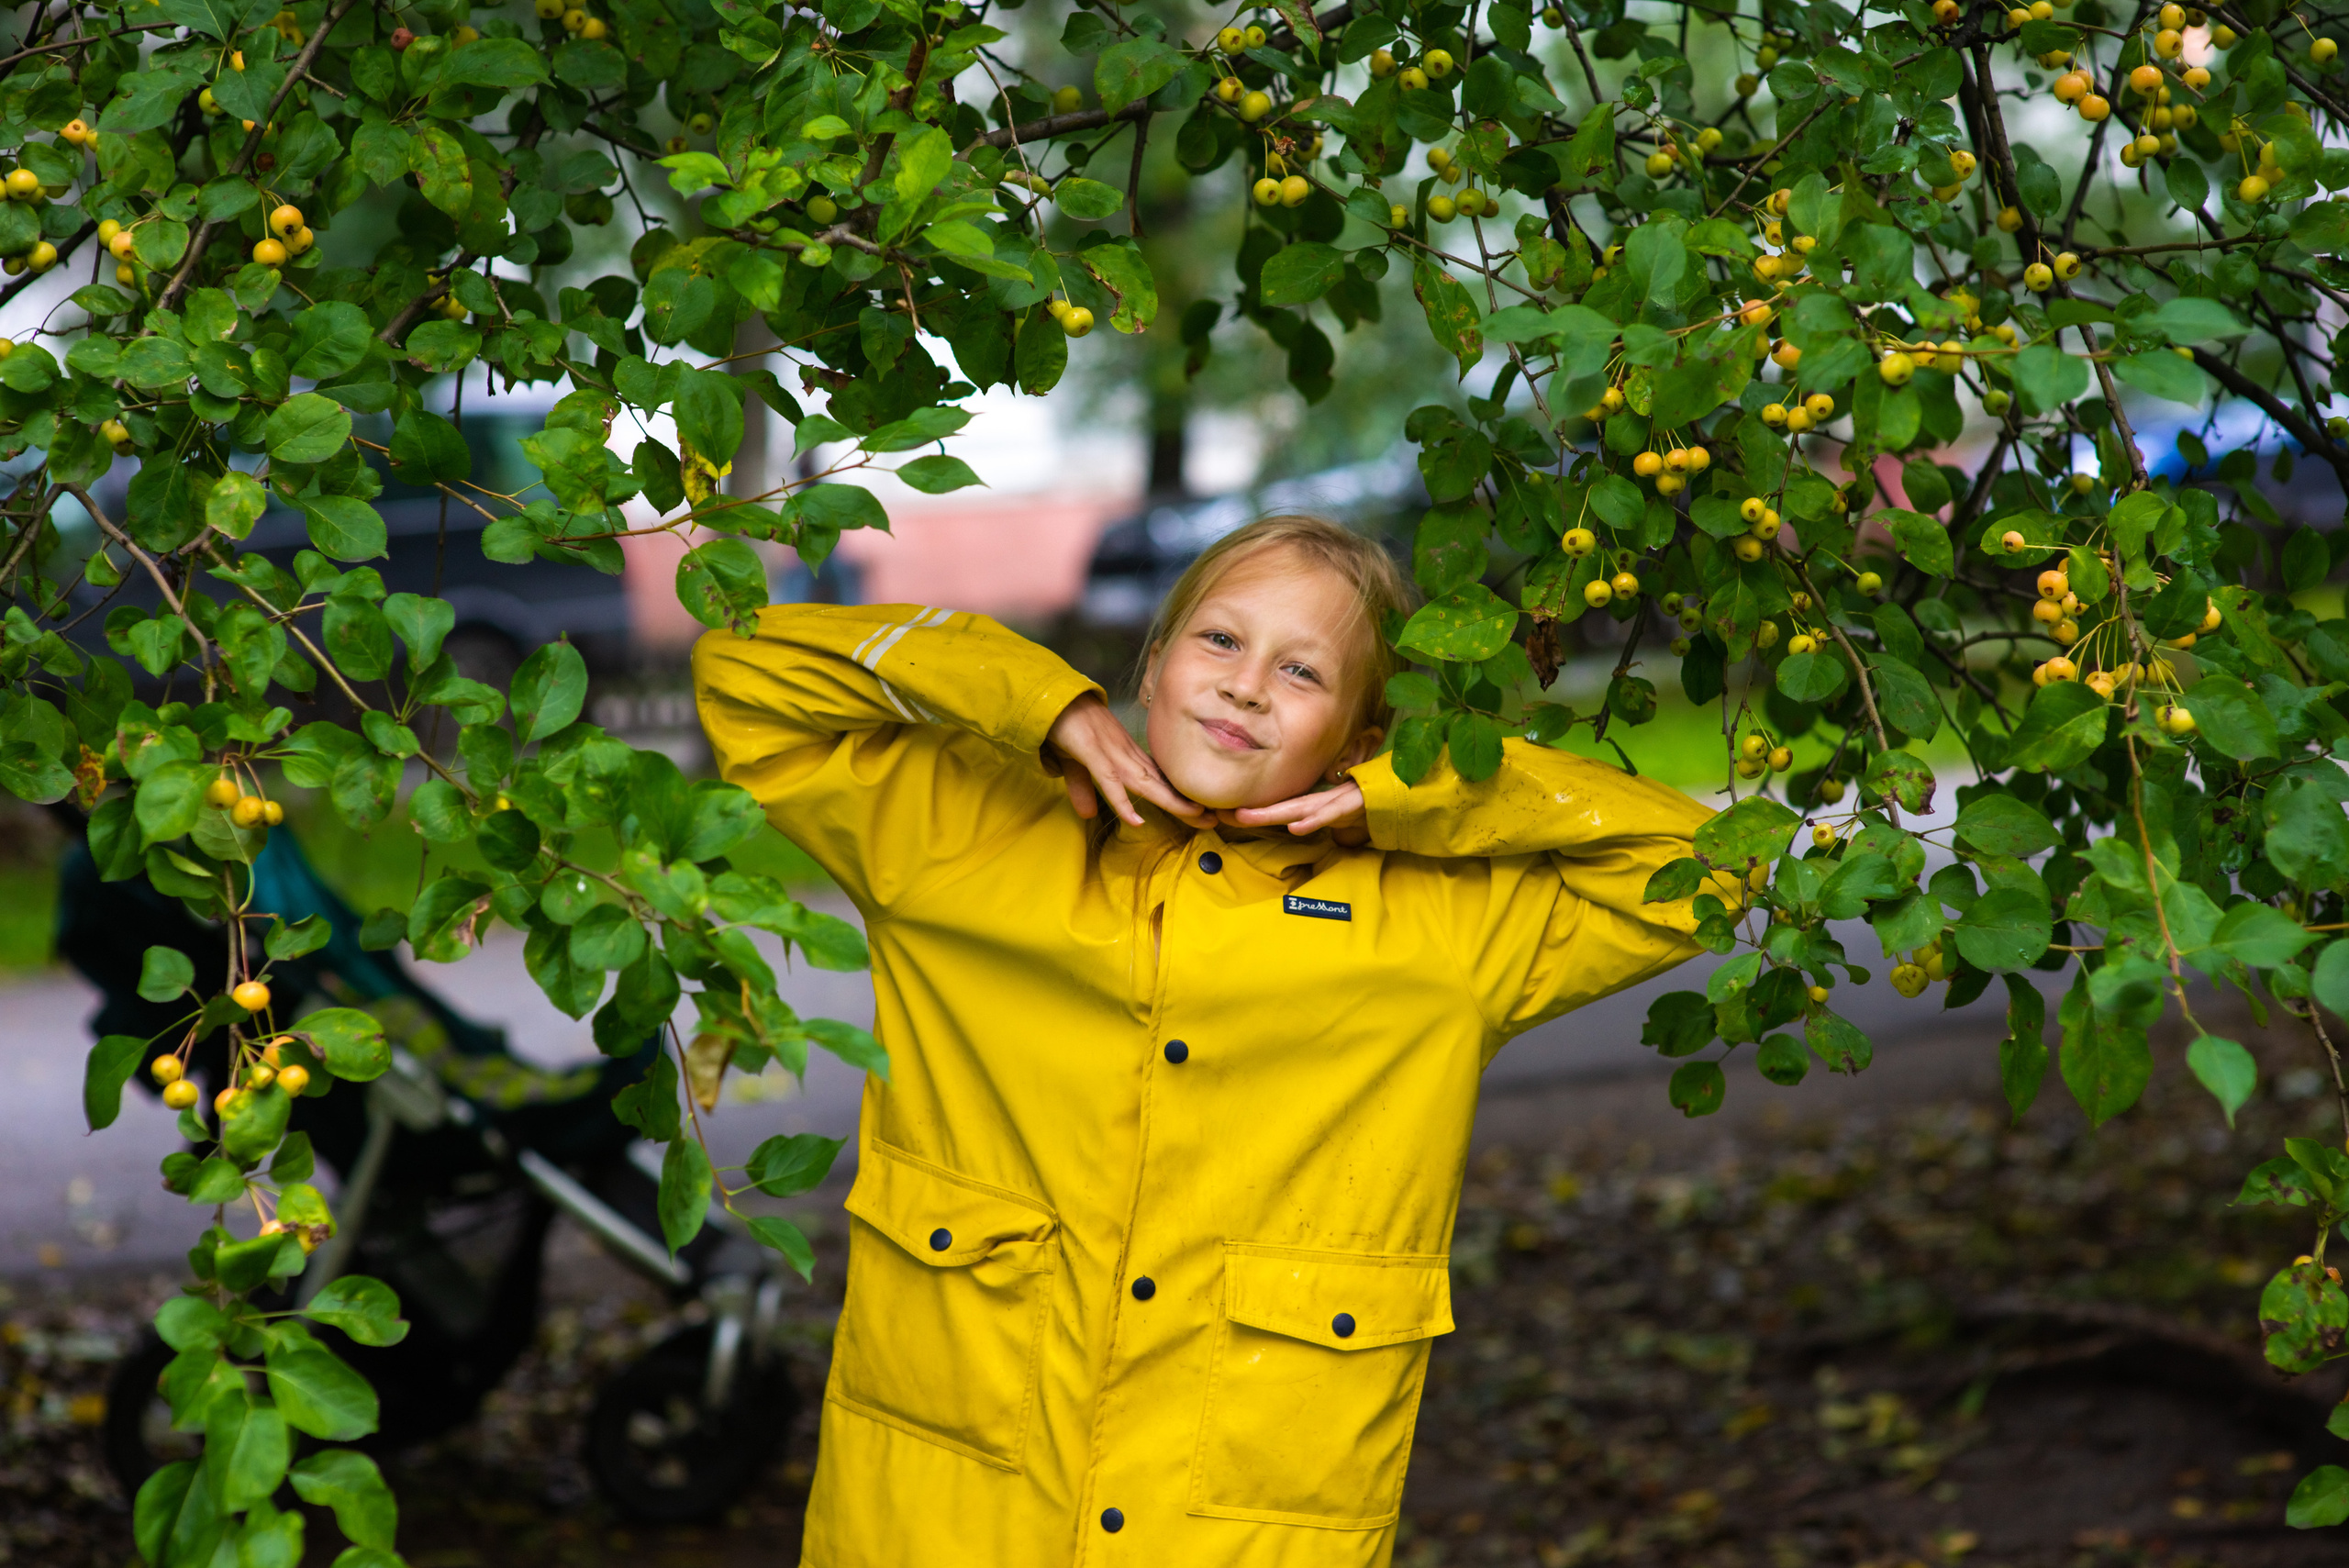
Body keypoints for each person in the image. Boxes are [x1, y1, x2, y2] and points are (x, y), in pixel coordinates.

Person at [693, 514, 1730, 1567]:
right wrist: (1036, 700)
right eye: (1220, 641)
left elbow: (1715, 868)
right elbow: (744, 669)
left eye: (1303, 671)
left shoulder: (1438, 938)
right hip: (932, 1522)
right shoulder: (957, 839)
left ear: (1358, 735)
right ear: (1152, 660)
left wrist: (1413, 793)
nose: (1246, 687)